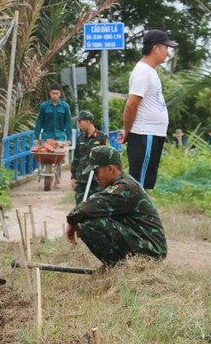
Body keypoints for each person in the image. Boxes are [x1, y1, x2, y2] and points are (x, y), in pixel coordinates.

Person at [65, 146, 167, 266]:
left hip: (152, 250)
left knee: (89, 224)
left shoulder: (126, 187)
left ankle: (117, 267)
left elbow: (90, 207)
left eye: (96, 172)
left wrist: (72, 221)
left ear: (110, 169)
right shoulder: (123, 183)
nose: (95, 177)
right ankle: (117, 266)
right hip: (143, 242)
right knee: (90, 219)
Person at [117, 29, 178, 189]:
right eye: (166, 47)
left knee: (145, 183)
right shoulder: (143, 72)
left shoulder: (150, 71)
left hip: (152, 134)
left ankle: (139, 212)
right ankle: (135, 213)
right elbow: (131, 105)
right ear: (155, 48)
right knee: (138, 184)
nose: (168, 52)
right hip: (145, 134)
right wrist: (128, 131)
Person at [70, 111, 108, 205]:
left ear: (88, 121)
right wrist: (73, 178)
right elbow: (76, 159)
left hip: (96, 181)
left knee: (96, 207)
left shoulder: (102, 137)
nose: (79, 125)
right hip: (81, 180)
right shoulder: (80, 138)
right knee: (80, 208)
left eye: (80, 122)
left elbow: (108, 158)